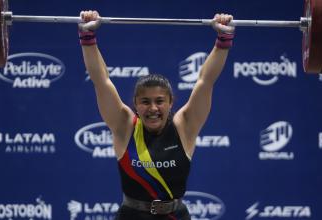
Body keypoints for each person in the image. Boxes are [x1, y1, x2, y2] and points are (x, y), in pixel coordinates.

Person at [78, 10, 234, 220]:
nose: (152, 109)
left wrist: (223, 40)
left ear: (171, 103)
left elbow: (205, 81)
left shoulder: (185, 126)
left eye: (159, 101)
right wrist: (88, 38)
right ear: (135, 104)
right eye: (145, 102)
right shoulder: (124, 125)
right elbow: (101, 80)